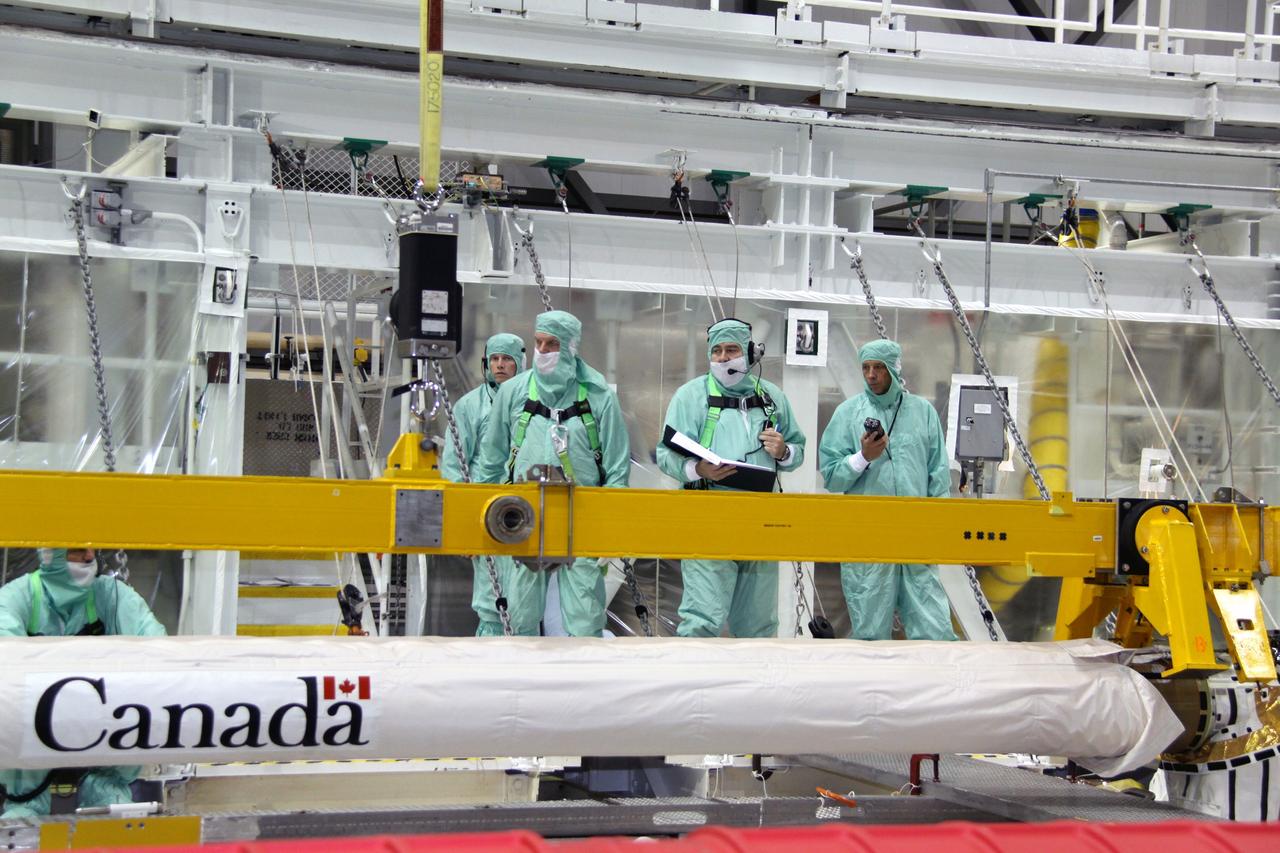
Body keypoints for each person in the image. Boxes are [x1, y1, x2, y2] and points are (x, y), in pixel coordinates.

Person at [473, 310, 630, 637]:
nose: (543, 351)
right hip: (523, 518)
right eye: (539, 343)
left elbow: (617, 469)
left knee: (585, 619)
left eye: (552, 344)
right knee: (520, 615)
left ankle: (582, 667)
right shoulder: (514, 392)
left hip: (581, 519)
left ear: (571, 347)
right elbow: (490, 462)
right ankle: (523, 669)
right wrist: (478, 518)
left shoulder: (598, 396)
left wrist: (611, 531)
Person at [656, 318, 806, 638]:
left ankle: (758, 672)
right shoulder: (690, 397)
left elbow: (798, 450)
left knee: (759, 622)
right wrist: (698, 469)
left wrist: (783, 451)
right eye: (717, 351)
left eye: (732, 350)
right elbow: (666, 454)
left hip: (761, 519)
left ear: (750, 353)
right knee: (702, 617)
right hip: (708, 517)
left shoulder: (772, 398)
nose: (723, 358)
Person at [0, 547, 165, 819]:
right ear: (50, 556)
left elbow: (156, 646)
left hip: (99, 732)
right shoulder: (17, 597)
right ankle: (24, 813)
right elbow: (7, 660)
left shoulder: (109, 595)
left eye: (91, 550)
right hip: (34, 735)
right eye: (77, 551)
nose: (88, 558)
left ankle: (106, 799)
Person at [817, 339, 955, 641]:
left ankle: (934, 671)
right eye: (866, 368)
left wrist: (939, 524)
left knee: (933, 625)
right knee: (870, 627)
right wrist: (862, 457)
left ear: (894, 369)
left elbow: (938, 473)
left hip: (916, 533)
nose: (871, 375)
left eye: (879, 367)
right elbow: (832, 477)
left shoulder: (922, 412)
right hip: (869, 536)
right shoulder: (848, 413)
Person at [439, 332, 546, 637]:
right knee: (491, 597)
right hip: (488, 513)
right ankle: (491, 651)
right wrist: (466, 523)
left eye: (507, 359)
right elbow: (455, 466)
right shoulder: (470, 406)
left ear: (520, 363)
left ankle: (527, 652)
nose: (499, 365)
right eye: (494, 359)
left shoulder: (538, 402)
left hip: (529, 512)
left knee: (527, 597)